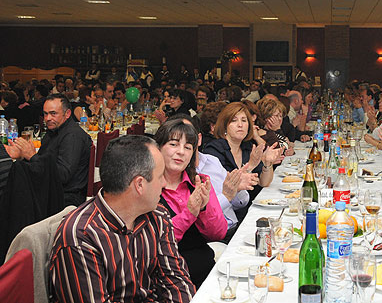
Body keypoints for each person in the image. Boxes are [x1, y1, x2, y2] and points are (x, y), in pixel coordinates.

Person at [49, 135, 196, 302]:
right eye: (160, 176)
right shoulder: (81, 237)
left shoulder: (157, 216)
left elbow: (176, 281)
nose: (164, 184)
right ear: (139, 184)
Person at [154, 119, 227, 287]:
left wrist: (203, 208)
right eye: (173, 144)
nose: (181, 152)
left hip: (207, 274)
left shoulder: (199, 183)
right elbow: (157, 243)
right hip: (169, 281)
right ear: (158, 148)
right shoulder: (150, 187)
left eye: (188, 147)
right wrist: (189, 213)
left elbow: (218, 234)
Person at [7, 94, 91, 206]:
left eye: (53, 113)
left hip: (65, 198)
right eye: (45, 114)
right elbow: (41, 164)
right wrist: (23, 156)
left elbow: (62, 175)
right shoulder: (53, 132)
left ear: (67, 114)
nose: (47, 118)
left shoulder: (72, 136)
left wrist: (32, 156)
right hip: (50, 190)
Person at [201, 102, 280, 201]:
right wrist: (250, 166)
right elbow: (221, 189)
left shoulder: (248, 147)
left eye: (244, 120)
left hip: (249, 205)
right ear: (225, 126)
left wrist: (267, 163)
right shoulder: (214, 150)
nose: (240, 125)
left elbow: (264, 182)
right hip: (226, 210)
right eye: (234, 121)